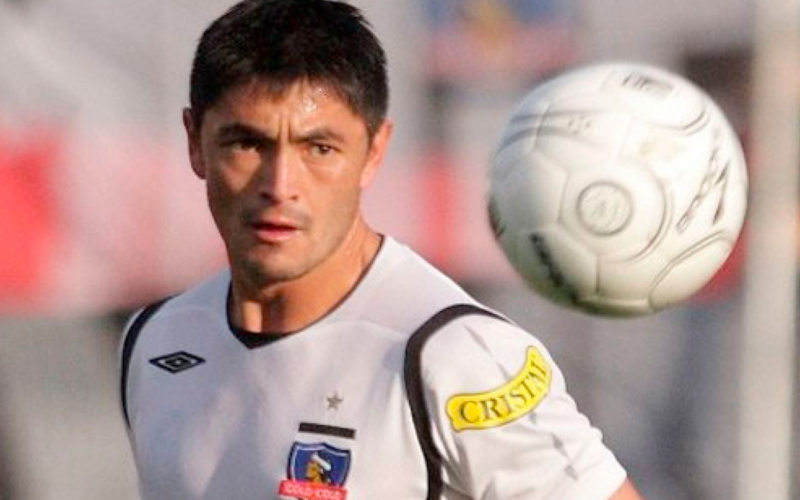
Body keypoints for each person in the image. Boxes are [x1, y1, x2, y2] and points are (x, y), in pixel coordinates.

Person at [119, 1, 646, 499]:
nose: (280, 184)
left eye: (318, 148)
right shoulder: (156, 340)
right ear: (195, 141)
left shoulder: (454, 355)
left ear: (374, 152)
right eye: (247, 143)